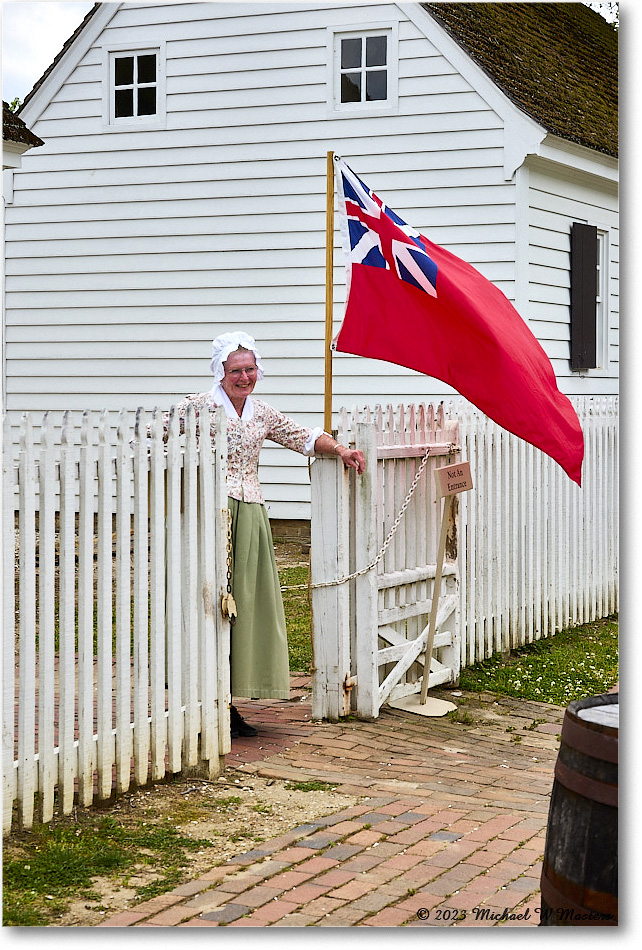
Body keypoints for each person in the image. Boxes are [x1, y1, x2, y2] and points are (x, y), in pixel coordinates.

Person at [168, 331, 365, 739]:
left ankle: (230, 699)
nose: (244, 377)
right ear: (220, 372)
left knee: (245, 606)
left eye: (250, 369)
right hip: (211, 512)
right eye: (236, 370)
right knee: (210, 605)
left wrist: (341, 450)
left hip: (252, 512)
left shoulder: (261, 412)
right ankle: (205, 698)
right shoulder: (197, 408)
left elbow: (303, 437)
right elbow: (158, 443)